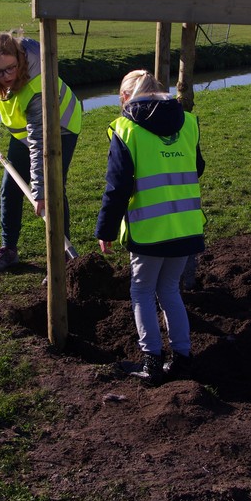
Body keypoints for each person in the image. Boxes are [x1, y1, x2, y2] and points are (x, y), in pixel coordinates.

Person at [95, 70, 205, 386]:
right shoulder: (188, 123)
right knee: (169, 289)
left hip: (150, 230)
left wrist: (105, 229)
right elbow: (198, 167)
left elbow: (116, 187)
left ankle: (152, 362)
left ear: (125, 98)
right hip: (185, 227)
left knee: (142, 291)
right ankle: (183, 357)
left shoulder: (126, 129)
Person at [0, 32, 82, 274]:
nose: (7, 76)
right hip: (25, 132)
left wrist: (40, 191)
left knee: (53, 190)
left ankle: (64, 259)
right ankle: (8, 250)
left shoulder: (37, 81)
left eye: (11, 68)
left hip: (60, 127)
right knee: (10, 186)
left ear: (20, 60)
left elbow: (40, 143)